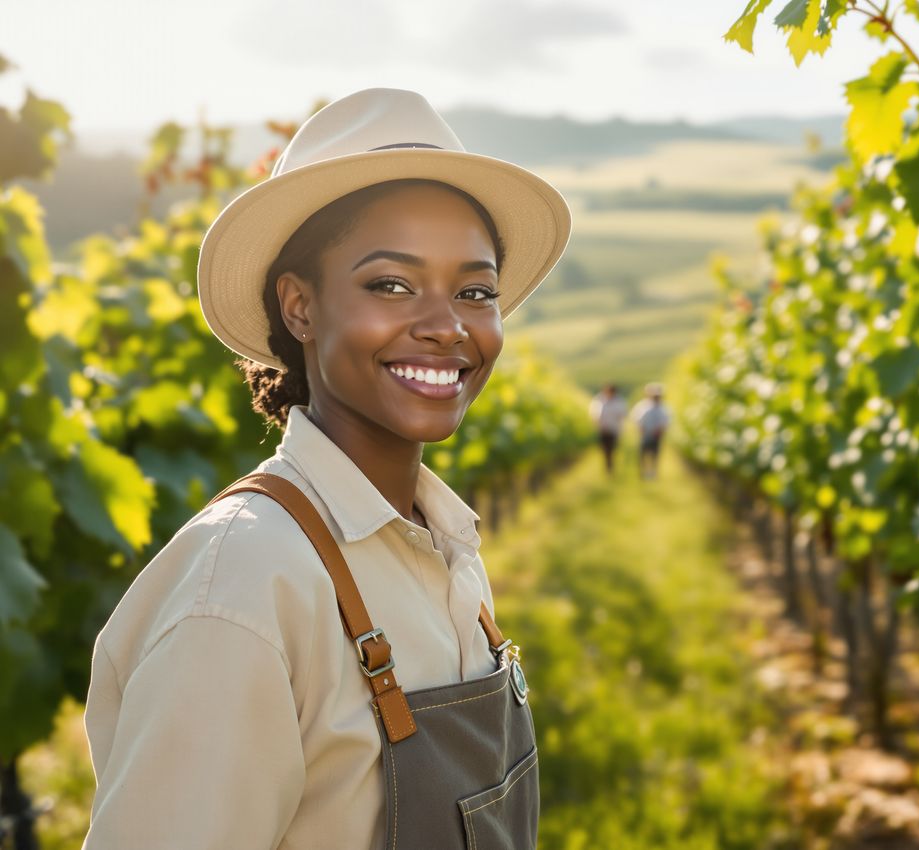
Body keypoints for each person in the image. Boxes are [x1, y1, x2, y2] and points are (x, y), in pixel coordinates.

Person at [80, 88, 571, 850]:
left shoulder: (447, 549)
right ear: (300, 307)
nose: (447, 327)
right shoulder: (241, 591)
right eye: (392, 285)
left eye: (475, 292)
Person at [630, 382, 670, 480]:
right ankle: (643, 473)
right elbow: (636, 418)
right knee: (643, 454)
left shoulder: (664, 408)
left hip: (657, 435)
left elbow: (666, 421)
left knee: (655, 455)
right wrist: (640, 428)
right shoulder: (642, 406)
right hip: (645, 433)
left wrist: (661, 430)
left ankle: (653, 473)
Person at [588, 382, 628, 473]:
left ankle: (610, 466)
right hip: (602, 430)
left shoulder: (619, 402)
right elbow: (594, 415)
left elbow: (622, 415)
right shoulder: (598, 401)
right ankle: (608, 467)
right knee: (605, 450)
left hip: (614, 429)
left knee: (612, 449)